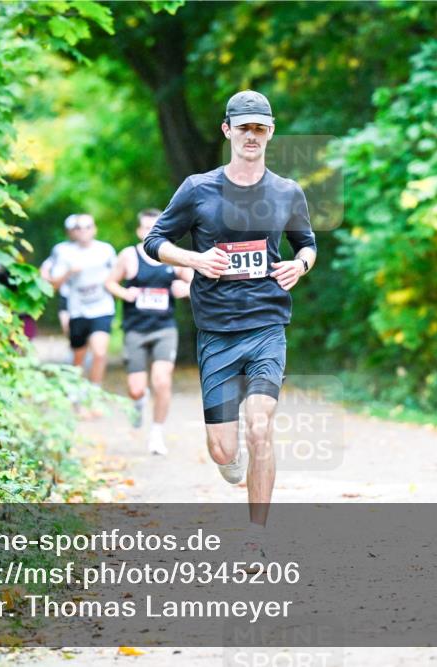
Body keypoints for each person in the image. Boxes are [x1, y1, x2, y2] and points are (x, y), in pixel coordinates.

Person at [143, 90, 317, 562]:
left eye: (260, 128)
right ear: (228, 131)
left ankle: (257, 535)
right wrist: (195, 259)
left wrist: (300, 265)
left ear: (271, 132)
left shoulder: (287, 191)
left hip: (267, 325)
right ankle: (231, 456)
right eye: (244, 128)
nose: (251, 136)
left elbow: (306, 243)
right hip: (217, 331)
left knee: (260, 426)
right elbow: (155, 241)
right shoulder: (198, 189)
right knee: (223, 451)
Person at [105, 208, 193, 455]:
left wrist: (185, 289)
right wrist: (125, 293)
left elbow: (196, 281)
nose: (151, 232)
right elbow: (110, 282)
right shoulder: (129, 256)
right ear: (139, 231)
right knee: (135, 388)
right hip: (135, 329)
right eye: (146, 227)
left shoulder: (173, 255)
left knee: (162, 380)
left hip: (164, 328)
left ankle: (156, 433)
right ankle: (138, 401)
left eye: (156, 227)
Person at [44, 213, 117, 389]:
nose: (83, 231)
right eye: (79, 228)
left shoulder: (106, 250)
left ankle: (94, 391)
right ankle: (76, 392)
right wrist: (69, 272)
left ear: (94, 229)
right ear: (73, 231)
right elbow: (53, 285)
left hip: (102, 308)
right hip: (77, 310)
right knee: (79, 356)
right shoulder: (64, 252)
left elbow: (117, 275)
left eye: (88, 227)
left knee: (100, 352)